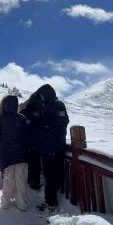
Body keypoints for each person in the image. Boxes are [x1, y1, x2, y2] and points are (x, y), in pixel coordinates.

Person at [34, 84, 69, 214]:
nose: (41, 98)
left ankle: (51, 203)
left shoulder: (58, 105)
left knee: (52, 176)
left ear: (48, 94)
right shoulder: (46, 106)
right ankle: (49, 200)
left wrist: (47, 128)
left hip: (55, 147)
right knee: (49, 176)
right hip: (47, 148)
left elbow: (63, 121)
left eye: (42, 95)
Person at [0, 95, 29, 211]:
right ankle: (22, 205)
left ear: (4, 105)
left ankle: (5, 204)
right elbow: (26, 136)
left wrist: (0, 146)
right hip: (21, 154)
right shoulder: (21, 118)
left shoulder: (0, 118)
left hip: (6, 155)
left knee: (8, 180)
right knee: (21, 180)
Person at [20, 94, 44, 191]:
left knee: (28, 163)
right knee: (35, 163)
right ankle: (35, 182)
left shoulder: (23, 112)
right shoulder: (39, 112)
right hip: (35, 142)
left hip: (26, 143)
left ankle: (30, 181)